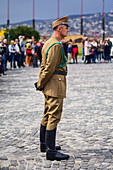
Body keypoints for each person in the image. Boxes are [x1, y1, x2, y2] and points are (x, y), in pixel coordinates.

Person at [35, 16, 70, 161]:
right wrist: (41, 83)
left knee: (47, 113)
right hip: (54, 83)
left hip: (51, 83)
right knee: (54, 115)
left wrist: (41, 83)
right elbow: (49, 68)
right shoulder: (55, 45)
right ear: (59, 28)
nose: (68, 30)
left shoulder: (49, 42)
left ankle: (45, 144)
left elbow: (44, 66)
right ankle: (50, 151)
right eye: (66, 27)